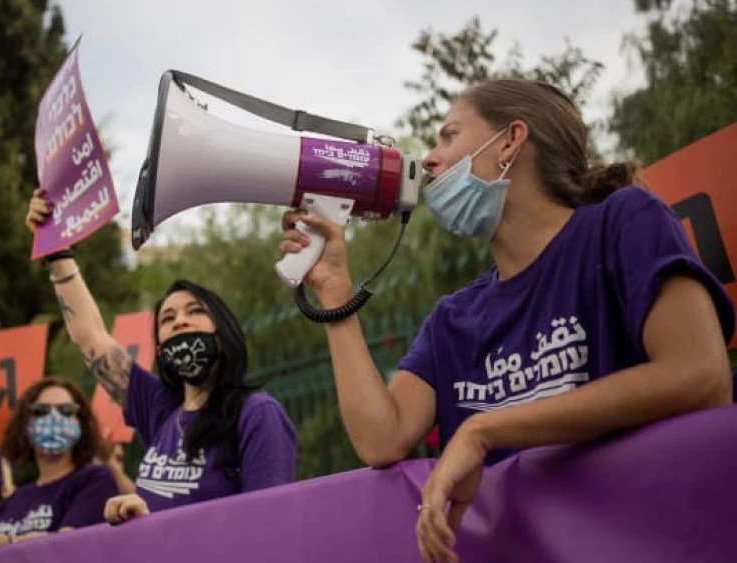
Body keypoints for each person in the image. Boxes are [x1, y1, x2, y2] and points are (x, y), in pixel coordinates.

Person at [278, 78, 735, 563]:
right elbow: (381, 440)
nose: (430, 159)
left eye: (448, 136)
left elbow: (700, 376)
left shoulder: (624, 221)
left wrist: (485, 430)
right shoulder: (453, 318)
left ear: (512, 140)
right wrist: (335, 294)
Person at [25, 196, 298, 524]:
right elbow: (89, 336)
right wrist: (57, 251)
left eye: (195, 311)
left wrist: (156, 520)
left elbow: (268, 526)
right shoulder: (159, 408)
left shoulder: (256, 414)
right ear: (160, 350)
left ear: (224, 333)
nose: (180, 321)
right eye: (167, 319)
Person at [0, 377, 116, 551]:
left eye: (67, 410)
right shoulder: (15, 499)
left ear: (82, 423)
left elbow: (66, 545)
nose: (53, 417)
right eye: (40, 411)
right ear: (24, 425)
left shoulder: (95, 480)